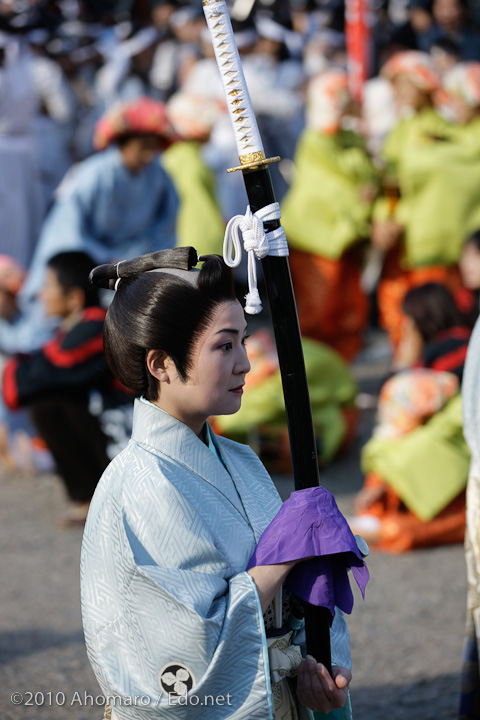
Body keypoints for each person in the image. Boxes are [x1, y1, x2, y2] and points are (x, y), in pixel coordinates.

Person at [81, 248, 355, 720]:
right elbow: (185, 641)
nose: (246, 363)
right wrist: (283, 557)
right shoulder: (141, 484)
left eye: (243, 341)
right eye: (224, 346)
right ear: (161, 364)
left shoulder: (241, 460)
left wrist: (318, 668)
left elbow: (288, 609)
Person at [350, 282, 471, 552]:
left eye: (407, 321)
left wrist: (403, 360)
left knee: (397, 531)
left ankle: (380, 511)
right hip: (434, 461)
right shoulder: (454, 347)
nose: (403, 329)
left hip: (449, 467)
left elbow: (398, 401)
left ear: (421, 320)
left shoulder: (452, 353)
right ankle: (378, 512)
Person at [373, 51, 480, 346]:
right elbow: (390, 185)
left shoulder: (447, 131)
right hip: (405, 240)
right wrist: (384, 216)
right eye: (395, 85)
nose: (399, 92)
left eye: (406, 84)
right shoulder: (402, 130)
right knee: (401, 309)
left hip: (437, 239)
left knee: (437, 310)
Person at [2, 251, 117, 527]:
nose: (41, 294)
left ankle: (96, 496)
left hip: (125, 429)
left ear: (74, 298)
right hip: (111, 425)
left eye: (48, 285)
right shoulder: (75, 326)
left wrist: (18, 372)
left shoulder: (94, 325)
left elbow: (44, 372)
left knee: (49, 402)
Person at [281, 69, 378, 361]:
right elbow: (330, 187)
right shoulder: (314, 140)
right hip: (317, 239)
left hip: (345, 238)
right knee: (316, 314)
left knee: (349, 314)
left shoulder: (351, 137)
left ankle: (339, 383)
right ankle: (314, 382)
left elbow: (364, 180)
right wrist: (361, 200)